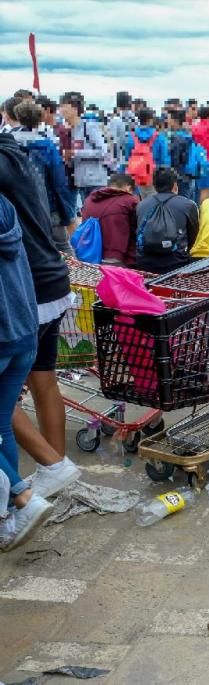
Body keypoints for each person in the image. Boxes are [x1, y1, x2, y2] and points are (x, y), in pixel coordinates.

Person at [0, 132, 79, 499]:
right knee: (43, 380)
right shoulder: (17, 155)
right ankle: (55, 470)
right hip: (52, 279)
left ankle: (51, 465)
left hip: (25, 287)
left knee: (6, 394)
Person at [0, 193, 53, 552]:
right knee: (1, 424)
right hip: (23, 330)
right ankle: (7, 517)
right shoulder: (3, 203)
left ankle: (21, 496)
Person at [10, 101, 75, 252]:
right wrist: (65, 213)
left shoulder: (7, 144)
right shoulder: (46, 145)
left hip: (16, 208)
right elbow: (59, 182)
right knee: (63, 249)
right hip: (47, 207)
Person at [136, 167, 199, 274]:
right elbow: (193, 234)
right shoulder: (188, 205)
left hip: (145, 263)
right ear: (175, 185)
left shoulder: (141, 206)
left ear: (154, 186)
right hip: (176, 263)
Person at [58, 91, 110, 205]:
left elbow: (103, 151)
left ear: (75, 108)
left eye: (63, 106)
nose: (61, 110)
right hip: (80, 182)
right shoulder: (69, 130)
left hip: (95, 181)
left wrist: (75, 153)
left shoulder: (89, 127)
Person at [81, 173, 139, 265]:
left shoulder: (89, 200)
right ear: (128, 188)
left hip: (89, 255)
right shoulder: (130, 201)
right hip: (118, 259)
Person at [123, 108, 170, 198]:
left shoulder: (132, 136)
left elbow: (127, 156)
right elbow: (164, 158)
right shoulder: (158, 136)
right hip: (153, 175)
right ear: (151, 120)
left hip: (136, 174)